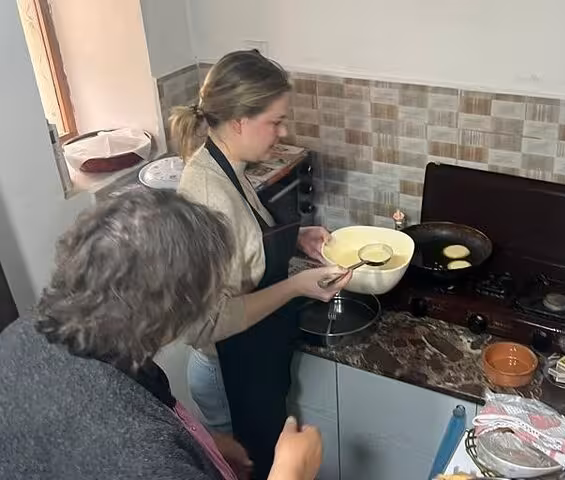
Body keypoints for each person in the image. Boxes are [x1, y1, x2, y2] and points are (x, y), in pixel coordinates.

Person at [0, 189, 323, 480]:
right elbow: (131, 449)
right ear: (171, 312)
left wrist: (198, 447)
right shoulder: (143, 456)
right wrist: (292, 470)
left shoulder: (24, 333)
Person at [170, 49, 350, 478]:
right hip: (228, 372)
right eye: (275, 121)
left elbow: (246, 240)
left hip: (251, 358)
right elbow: (209, 322)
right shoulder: (208, 194)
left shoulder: (226, 163)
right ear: (238, 121)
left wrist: (295, 239)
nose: (282, 131)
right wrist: (297, 286)